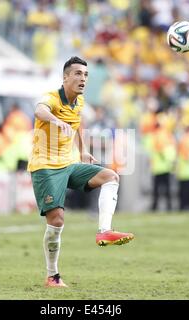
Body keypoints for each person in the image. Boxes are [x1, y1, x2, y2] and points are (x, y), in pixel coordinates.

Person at [28, 56, 134, 288]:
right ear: (65, 77)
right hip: (45, 167)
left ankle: (104, 231)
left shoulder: (80, 102)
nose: (82, 78)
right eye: (77, 73)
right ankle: (52, 276)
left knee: (110, 176)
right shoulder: (52, 98)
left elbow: (76, 125)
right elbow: (39, 111)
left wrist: (83, 151)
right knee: (56, 220)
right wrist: (55, 121)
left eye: (85, 74)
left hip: (69, 163)